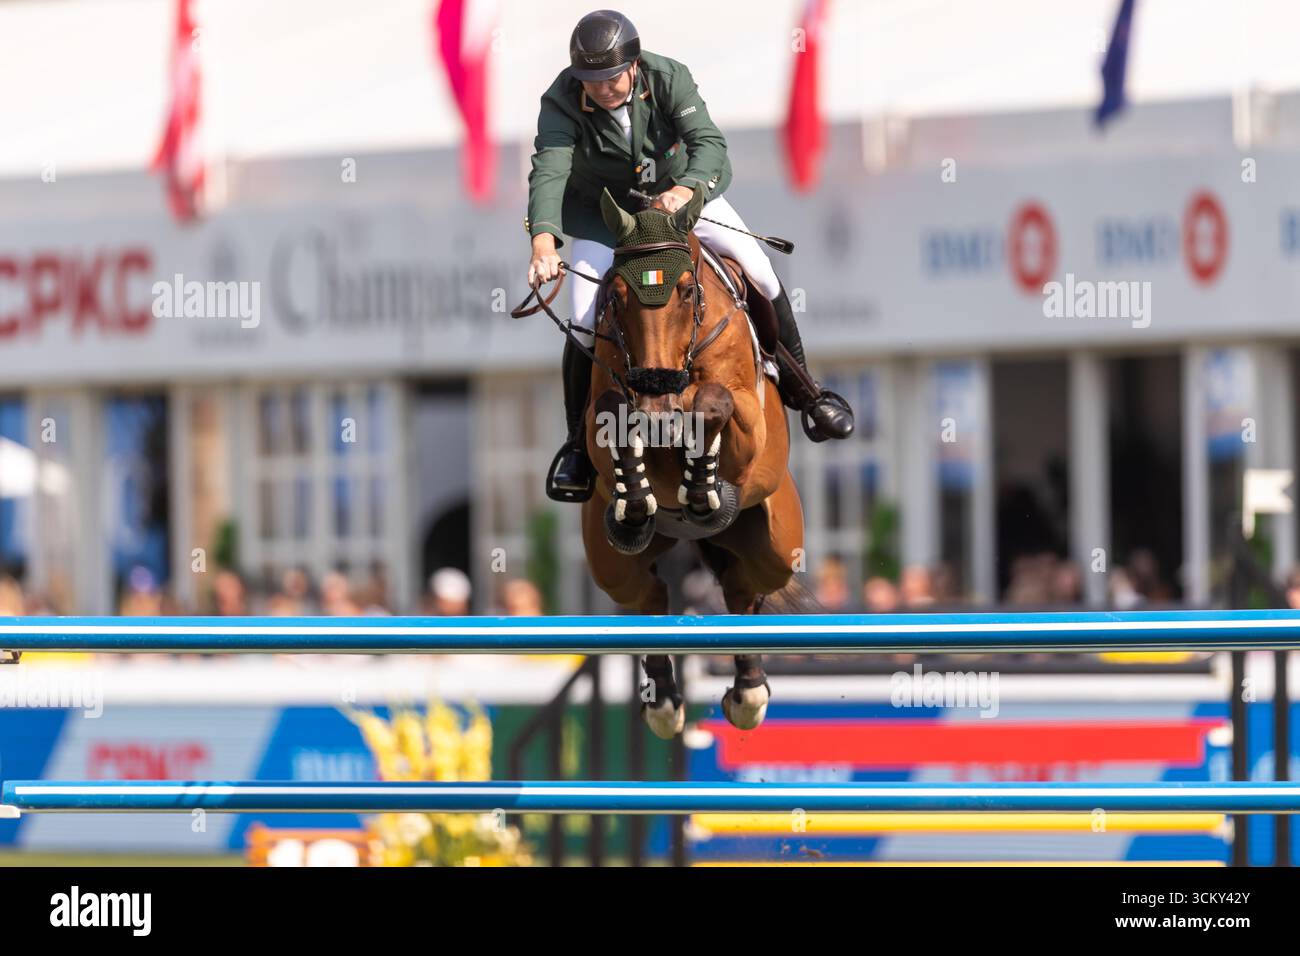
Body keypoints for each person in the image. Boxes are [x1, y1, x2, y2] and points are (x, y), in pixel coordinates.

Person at [526, 10, 855, 501]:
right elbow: (550, 170)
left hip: (681, 201)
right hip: (607, 217)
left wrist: (686, 189)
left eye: (611, 78)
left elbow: (709, 144)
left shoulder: (667, 77)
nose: (602, 89)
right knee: (579, 318)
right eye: (591, 81)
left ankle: (803, 389)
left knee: (760, 269)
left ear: (633, 66)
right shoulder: (560, 100)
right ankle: (577, 443)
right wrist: (544, 240)